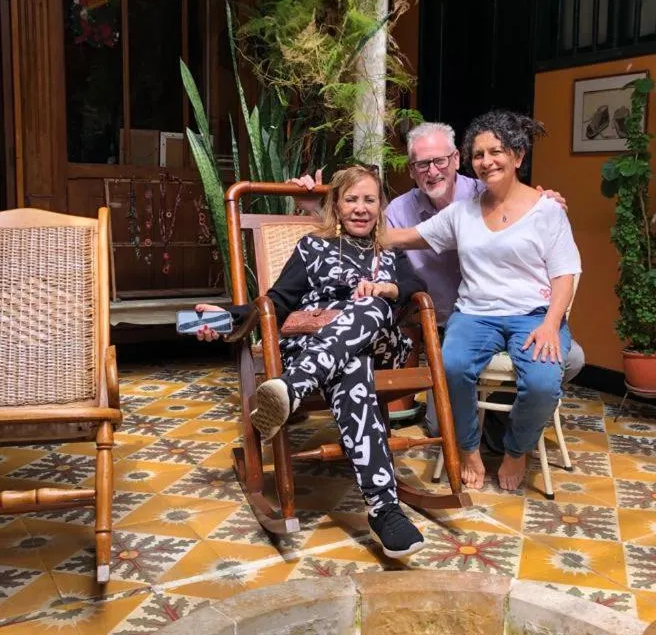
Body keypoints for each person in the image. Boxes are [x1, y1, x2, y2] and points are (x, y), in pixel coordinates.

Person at [293, 121, 585, 443]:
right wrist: (320, 211)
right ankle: (485, 421)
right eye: (422, 164)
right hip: (454, 323)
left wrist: (542, 201)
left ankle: (501, 418)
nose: (432, 171)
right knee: (438, 426)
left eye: (439, 161)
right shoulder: (407, 210)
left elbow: (543, 238)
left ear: (457, 159)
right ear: (412, 169)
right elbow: (369, 233)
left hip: (516, 315)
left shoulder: (486, 189)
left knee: (568, 360)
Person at [196, 165, 427, 561]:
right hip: (321, 348)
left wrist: (389, 288)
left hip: (381, 345)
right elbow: (276, 302)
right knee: (352, 369)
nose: (360, 208)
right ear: (335, 205)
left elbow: (416, 289)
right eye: (351, 199)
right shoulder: (312, 247)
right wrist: (223, 319)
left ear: (379, 206)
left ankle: (291, 388)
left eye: (369, 200)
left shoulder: (389, 250)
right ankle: (384, 509)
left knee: (369, 307)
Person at [384, 110, 582, 493]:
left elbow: (565, 273)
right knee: (452, 367)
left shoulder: (547, 211)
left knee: (543, 381)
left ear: (518, 156)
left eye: (496, 152)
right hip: (474, 315)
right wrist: (331, 213)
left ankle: (515, 450)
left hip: (532, 315)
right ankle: (469, 448)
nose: (487, 161)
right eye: (479, 154)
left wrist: (550, 323)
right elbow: (401, 237)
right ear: (470, 161)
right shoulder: (462, 212)